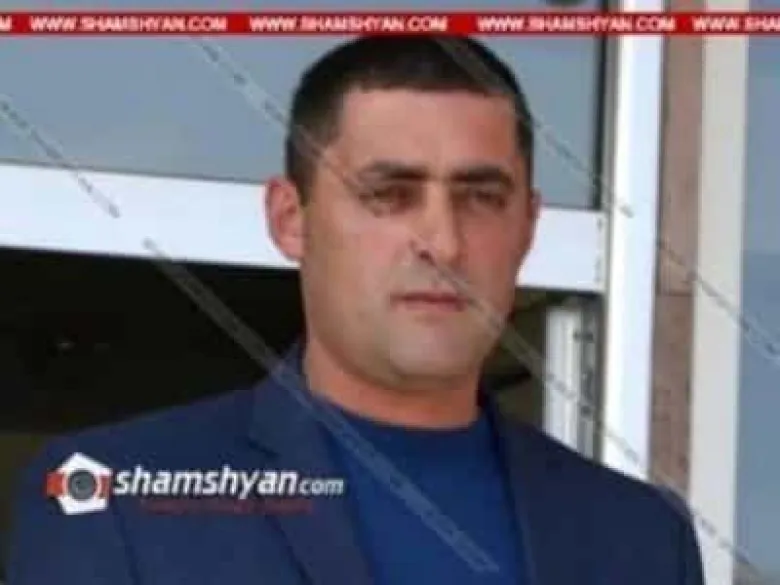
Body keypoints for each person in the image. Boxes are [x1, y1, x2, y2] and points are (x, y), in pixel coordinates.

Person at [5, 35, 705, 585]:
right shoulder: (115, 500)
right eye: (389, 194)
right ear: (291, 219)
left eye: (481, 197)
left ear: (527, 226)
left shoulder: (640, 538)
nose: (442, 241)